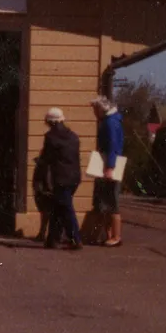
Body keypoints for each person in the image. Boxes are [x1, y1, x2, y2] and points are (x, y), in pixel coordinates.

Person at [38, 107, 82, 249]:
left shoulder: (50, 137)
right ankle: (52, 239)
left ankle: (75, 239)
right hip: (75, 176)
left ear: (50, 122)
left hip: (61, 177)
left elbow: (46, 159)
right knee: (58, 206)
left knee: (65, 208)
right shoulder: (74, 136)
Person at [91, 96, 126, 247]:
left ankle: (115, 236)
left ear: (101, 109)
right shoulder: (112, 121)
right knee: (107, 201)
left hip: (108, 164)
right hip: (108, 163)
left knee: (111, 202)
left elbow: (112, 146)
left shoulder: (110, 123)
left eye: (95, 109)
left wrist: (110, 167)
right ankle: (110, 235)